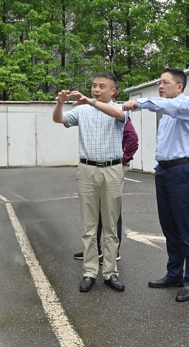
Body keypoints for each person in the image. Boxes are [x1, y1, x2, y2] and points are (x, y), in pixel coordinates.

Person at [122, 68, 189, 302]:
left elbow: (166, 105)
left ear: (179, 86)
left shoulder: (187, 104)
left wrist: (140, 102)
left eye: (165, 82)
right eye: (159, 82)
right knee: (169, 227)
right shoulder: (167, 112)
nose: (161, 86)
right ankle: (175, 273)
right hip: (165, 171)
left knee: (186, 228)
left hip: (181, 171)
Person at [53, 72, 128, 293]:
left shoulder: (119, 108)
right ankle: (89, 271)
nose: (96, 89)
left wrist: (91, 101)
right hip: (87, 169)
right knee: (89, 225)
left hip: (112, 169)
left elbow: (118, 114)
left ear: (113, 91)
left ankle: (111, 272)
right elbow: (60, 119)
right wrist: (59, 104)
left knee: (111, 226)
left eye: (102, 86)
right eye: (94, 86)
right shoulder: (82, 110)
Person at [73, 116, 139, 262]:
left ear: (112, 92)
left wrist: (123, 160)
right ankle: (93, 251)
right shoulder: (92, 113)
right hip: (92, 169)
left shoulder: (119, 115)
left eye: (103, 91)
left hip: (110, 169)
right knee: (93, 213)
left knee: (112, 213)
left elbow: (132, 139)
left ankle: (113, 252)